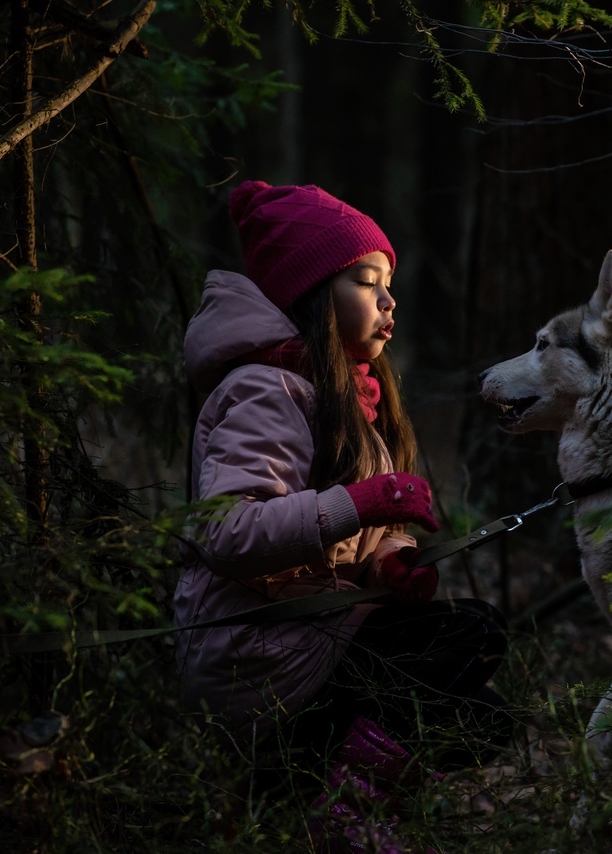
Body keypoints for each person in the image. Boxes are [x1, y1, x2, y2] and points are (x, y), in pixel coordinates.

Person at [174, 180, 512, 852]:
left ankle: (316, 783)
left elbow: (345, 538)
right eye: (367, 281)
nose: (389, 301)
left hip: (313, 634)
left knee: (484, 720)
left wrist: (388, 561)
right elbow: (228, 531)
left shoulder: (349, 396)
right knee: (469, 634)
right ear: (313, 293)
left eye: (389, 284)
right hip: (253, 653)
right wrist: (362, 505)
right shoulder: (264, 389)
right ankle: (338, 814)